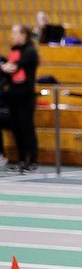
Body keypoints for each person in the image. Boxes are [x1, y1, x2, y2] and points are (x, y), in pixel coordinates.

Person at [2, 25, 39, 174]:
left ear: (24, 35)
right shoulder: (14, 51)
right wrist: (4, 67)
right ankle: (21, 159)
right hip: (13, 96)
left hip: (26, 96)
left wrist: (6, 67)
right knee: (16, 129)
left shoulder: (30, 51)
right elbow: (7, 71)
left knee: (27, 128)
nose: (13, 36)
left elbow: (15, 67)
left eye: (15, 33)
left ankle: (33, 160)